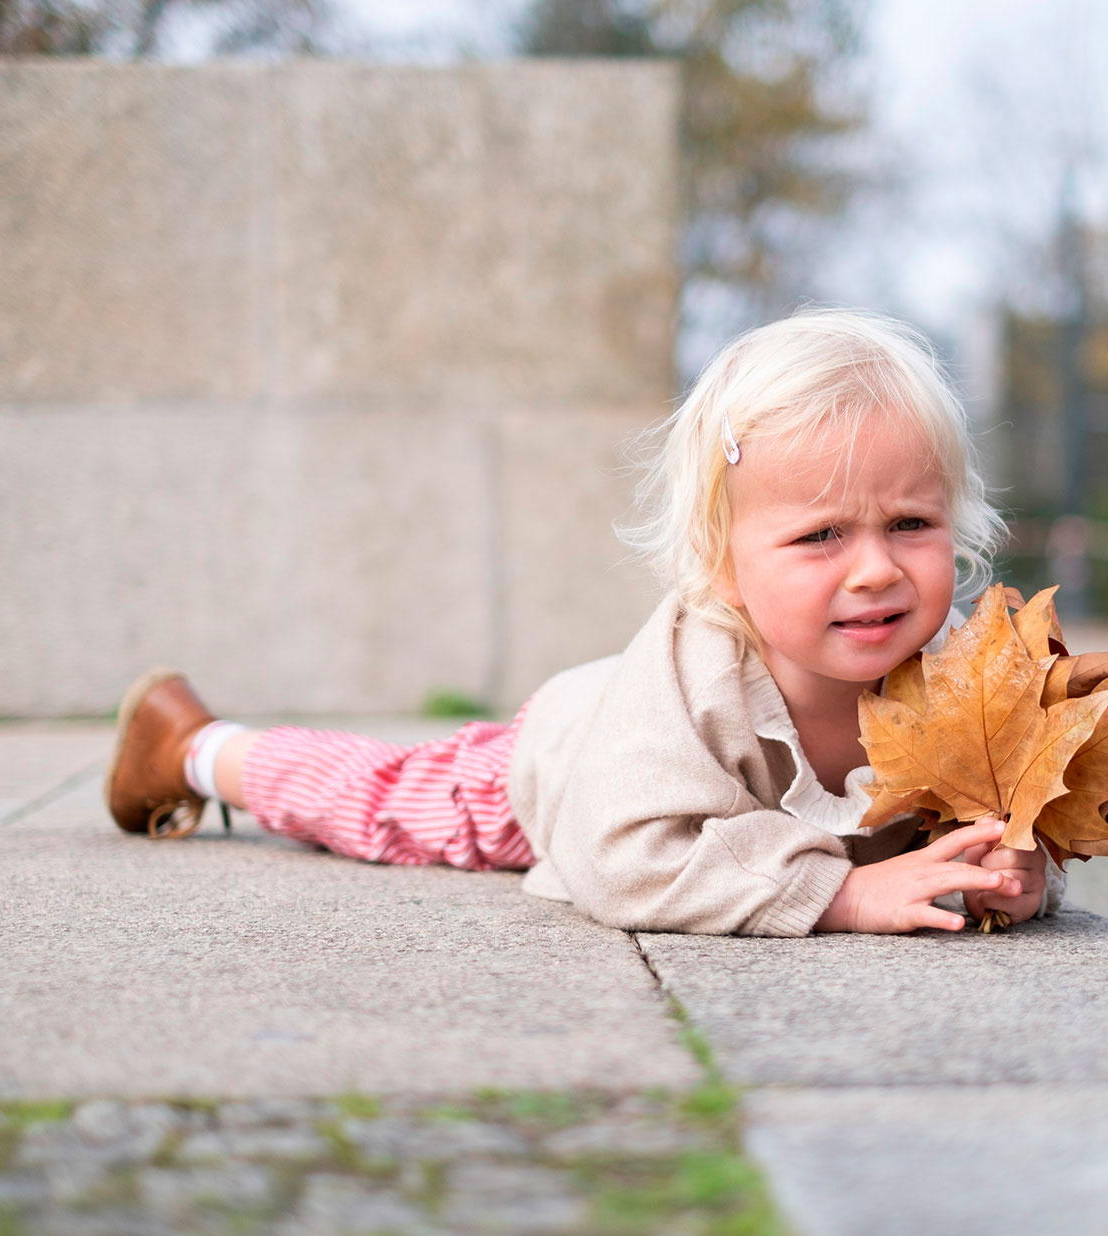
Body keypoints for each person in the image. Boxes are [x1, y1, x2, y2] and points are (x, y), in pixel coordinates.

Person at [103, 309, 1058, 935]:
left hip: (648, 771)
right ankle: (194, 745)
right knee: (387, 802)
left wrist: (1022, 872)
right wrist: (841, 893)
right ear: (723, 566)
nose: (877, 569)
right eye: (820, 535)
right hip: (574, 756)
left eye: (911, 523)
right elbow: (621, 860)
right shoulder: (699, 670)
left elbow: (1017, 820)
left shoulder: (958, 675)